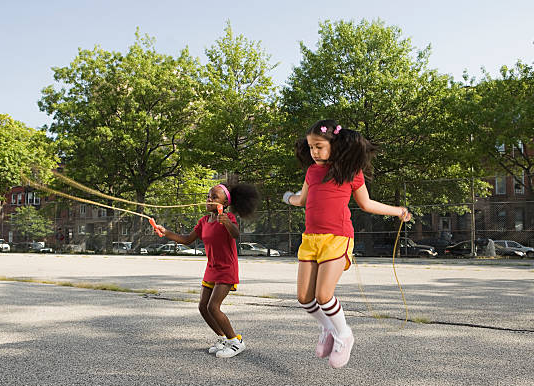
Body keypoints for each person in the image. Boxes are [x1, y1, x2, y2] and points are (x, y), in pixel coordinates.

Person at [282, 119, 411, 368]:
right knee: (304, 298)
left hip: (338, 238)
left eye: (319, 146)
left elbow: (367, 204)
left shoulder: (351, 173)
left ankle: (344, 334)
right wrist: (288, 197)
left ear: (335, 144)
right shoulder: (312, 172)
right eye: (310, 147)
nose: (314, 152)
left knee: (323, 295)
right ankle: (328, 329)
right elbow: (302, 200)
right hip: (310, 239)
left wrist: (398, 211)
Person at [155, 183, 259, 358]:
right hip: (211, 268)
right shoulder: (204, 221)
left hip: (227, 268)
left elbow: (235, 234)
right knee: (203, 307)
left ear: (224, 204)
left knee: (213, 306)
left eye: (214, 197)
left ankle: (235, 341)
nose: (209, 199)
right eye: (208, 197)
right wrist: (165, 232)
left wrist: (226, 222)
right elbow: (187, 239)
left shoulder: (228, 218)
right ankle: (223, 338)